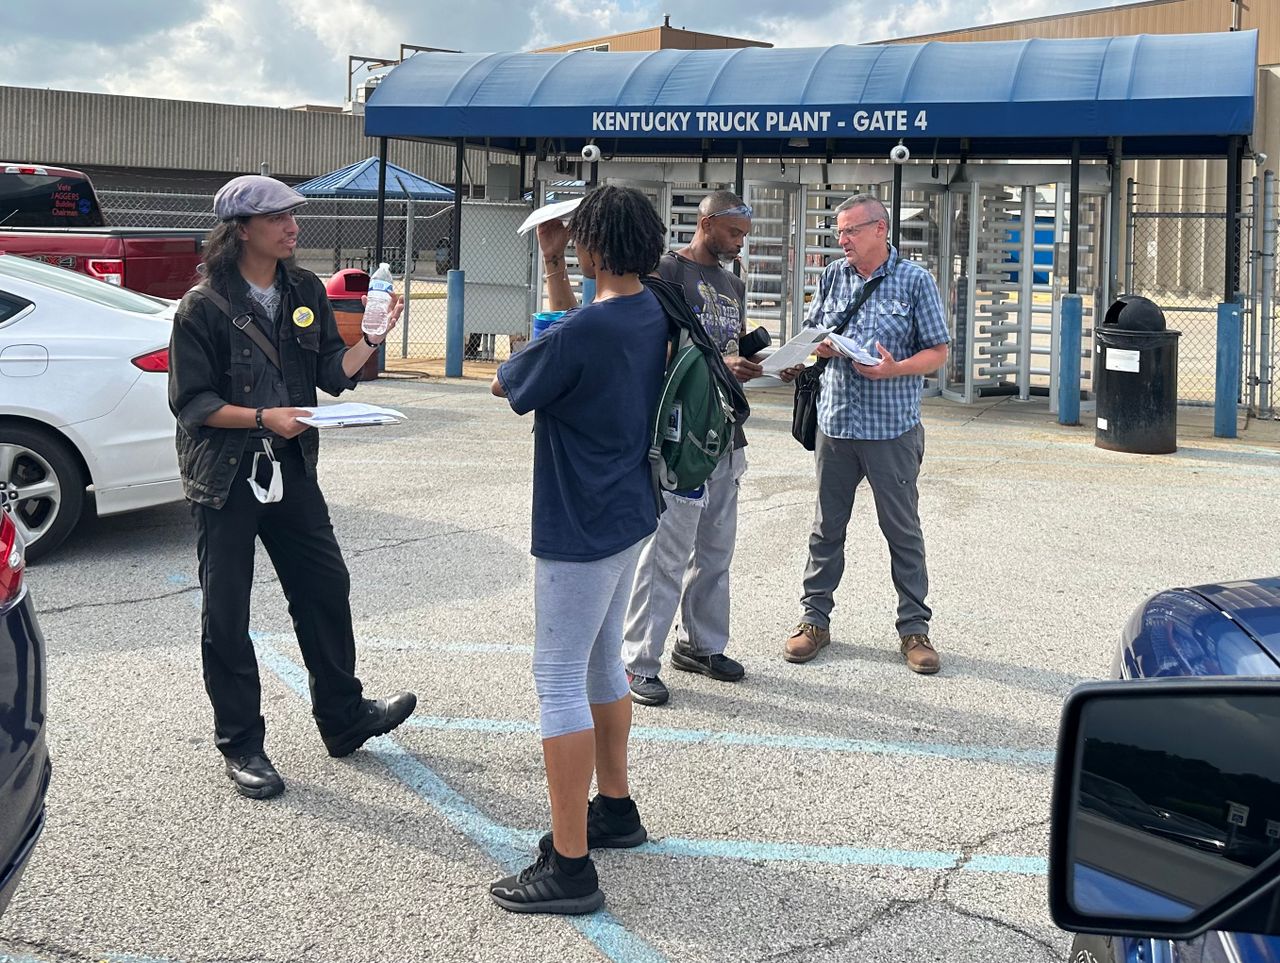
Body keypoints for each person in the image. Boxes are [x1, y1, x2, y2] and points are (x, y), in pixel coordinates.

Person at [168, 175, 417, 800]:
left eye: (292, 215)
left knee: (325, 586)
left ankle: (343, 717)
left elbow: (332, 373)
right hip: (226, 476)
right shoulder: (202, 306)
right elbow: (192, 403)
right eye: (278, 217)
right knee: (227, 611)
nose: (292, 226)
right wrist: (263, 417)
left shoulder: (304, 289)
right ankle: (242, 743)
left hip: (291, 467)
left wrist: (371, 340)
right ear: (241, 230)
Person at [489, 185, 668, 915]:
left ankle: (569, 863)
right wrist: (555, 266)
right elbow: (577, 332)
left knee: (558, 676)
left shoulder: (586, 330)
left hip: (579, 518)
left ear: (592, 245)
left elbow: (510, 381)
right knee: (601, 662)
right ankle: (614, 807)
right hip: (629, 508)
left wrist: (554, 281)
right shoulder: (652, 308)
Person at [622, 190, 799, 706]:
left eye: (745, 235)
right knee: (667, 553)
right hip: (683, 435)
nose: (740, 243)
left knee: (716, 550)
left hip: (726, 431)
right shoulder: (664, 273)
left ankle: (700, 645)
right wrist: (721, 362)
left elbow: (731, 348)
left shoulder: (733, 283)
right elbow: (654, 350)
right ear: (707, 222)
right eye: (734, 232)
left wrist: (769, 366)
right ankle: (638, 662)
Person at [784, 194, 950, 674]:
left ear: (880, 229)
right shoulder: (833, 275)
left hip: (891, 429)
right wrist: (820, 347)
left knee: (902, 531)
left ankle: (914, 629)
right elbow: (814, 329)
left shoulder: (915, 280)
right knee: (826, 528)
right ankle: (814, 620)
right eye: (839, 231)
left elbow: (938, 351)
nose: (843, 240)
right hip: (835, 425)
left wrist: (896, 368)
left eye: (851, 230)